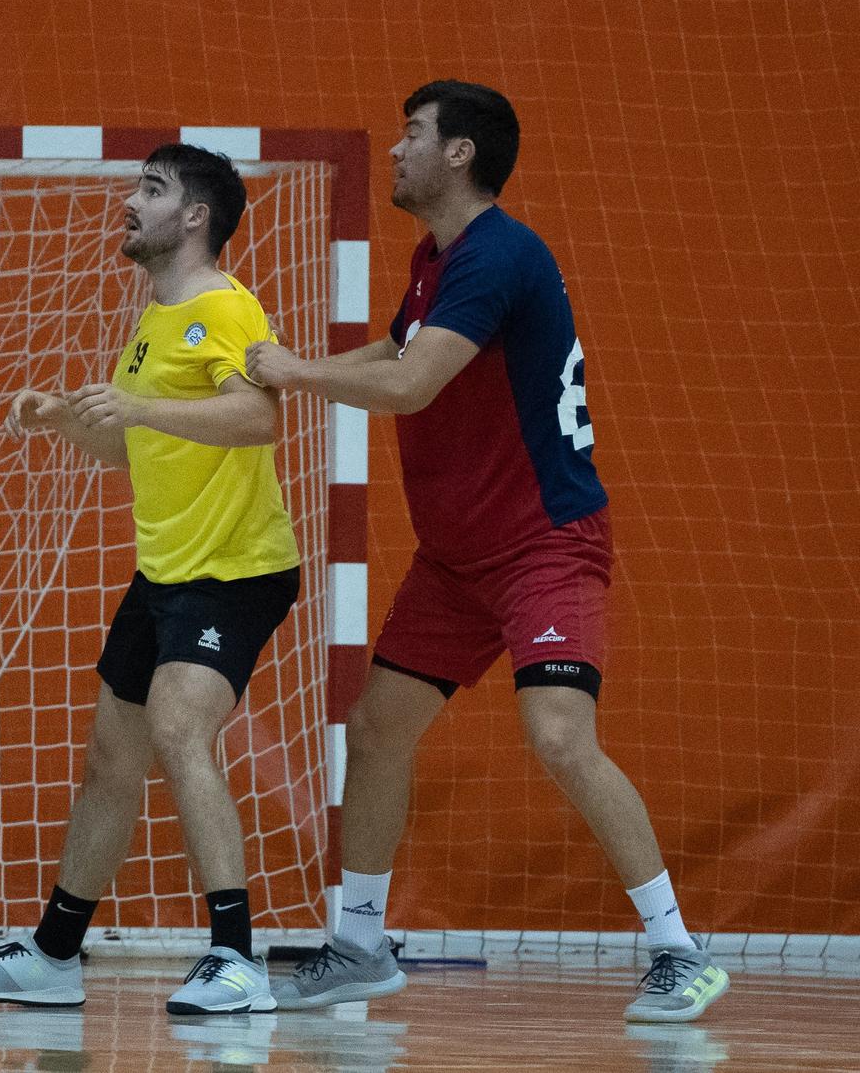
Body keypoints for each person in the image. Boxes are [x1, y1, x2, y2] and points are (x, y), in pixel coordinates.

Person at [245, 80, 728, 1024]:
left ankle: (678, 949)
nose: (394, 150)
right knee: (378, 729)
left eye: (411, 134)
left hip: (543, 541)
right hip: (455, 559)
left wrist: (293, 374)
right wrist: (287, 371)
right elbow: (392, 352)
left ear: (459, 153)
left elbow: (415, 384)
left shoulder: (501, 254)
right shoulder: (438, 258)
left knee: (557, 734)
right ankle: (359, 945)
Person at [0, 145, 301, 1014]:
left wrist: (136, 407)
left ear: (195, 217)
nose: (130, 201)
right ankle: (55, 955)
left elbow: (258, 418)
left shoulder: (220, 306)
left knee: (178, 726)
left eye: (153, 189)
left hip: (237, 570)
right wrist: (66, 419)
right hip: (167, 570)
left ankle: (237, 960)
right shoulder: (156, 316)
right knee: (109, 758)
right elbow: (137, 449)